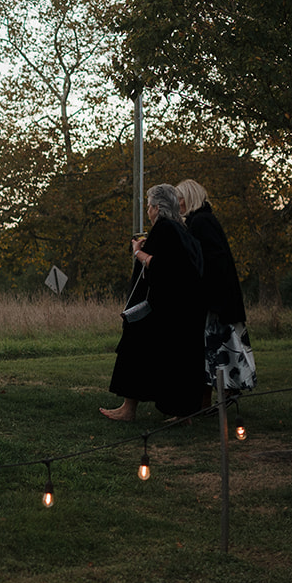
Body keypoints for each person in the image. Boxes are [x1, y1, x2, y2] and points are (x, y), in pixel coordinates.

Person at [101, 183, 206, 422]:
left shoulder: (165, 229)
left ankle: (130, 409)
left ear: (157, 208)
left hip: (163, 309)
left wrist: (138, 252)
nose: (147, 211)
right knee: (176, 361)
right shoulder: (182, 230)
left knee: (135, 350)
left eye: (149, 206)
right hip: (185, 309)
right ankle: (180, 411)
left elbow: (163, 267)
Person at [177, 179, 255, 405]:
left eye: (180, 198)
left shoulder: (201, 222)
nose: (177, 203)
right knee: (212, 353)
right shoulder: (201, 221)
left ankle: (224, 396)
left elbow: (213, 262)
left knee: (220, 351)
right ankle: (211, 400)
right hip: (217, 300)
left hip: (216, 303)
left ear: (188, 199)